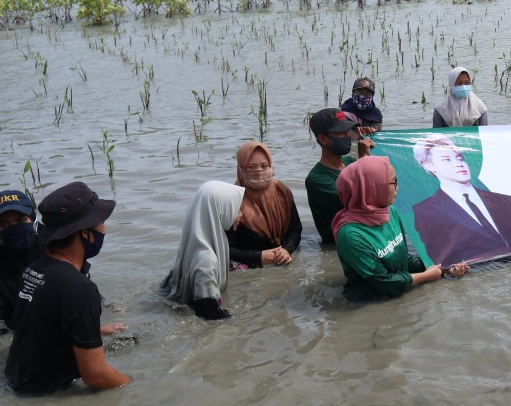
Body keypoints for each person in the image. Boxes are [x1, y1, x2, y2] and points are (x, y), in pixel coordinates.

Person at [4, 182, 130, 395]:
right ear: (85, 233)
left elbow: (38, 328)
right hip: (46, 395)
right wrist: (138, 386)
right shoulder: (78, 288)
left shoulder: (34, 270)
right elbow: (95, 375)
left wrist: (93, 330)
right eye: (100, 222)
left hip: (16, 378)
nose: (104, 229)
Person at [333, 156, 470, 301]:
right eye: (393, 183)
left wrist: (444, 266)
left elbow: (404, 259)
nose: (397, 188)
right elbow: (384, 282)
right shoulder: (351, 235)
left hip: (403, 289)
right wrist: (426, 276)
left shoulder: (389, 211)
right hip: (371, 304)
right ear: (373, 187)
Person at [411, 135, 511, 267]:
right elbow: (444, 261)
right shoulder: (426, 211)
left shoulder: (508, 201)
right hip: (484, 276)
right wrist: (453, 271)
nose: (458, 164)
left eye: (459, 158)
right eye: (446, 159)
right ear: (428, 165)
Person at [160, 181, 245, 320]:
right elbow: (210, 316)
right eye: (237, 209)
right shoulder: (206, 262)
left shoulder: (196, 243)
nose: (241, 215)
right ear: (220, 210)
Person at [0, 190, 41, 338]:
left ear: (33, 219)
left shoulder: (57, 246)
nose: (15, 228)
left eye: (21, 220)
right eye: (4, 225)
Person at [227, 141, 301, 269]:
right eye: (251, 167)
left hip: (283, 260)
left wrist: (287, 250)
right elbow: (225, 248)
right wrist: (259, 257)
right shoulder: (231, 200)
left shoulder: (282, 192)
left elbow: (295, 230)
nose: (259, 171)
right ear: (240, 169)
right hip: (247, 271)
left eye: (264, 166)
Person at [305, 108, 374, 244]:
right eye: (340, 132)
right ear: (323, 138)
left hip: (365, 237)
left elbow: (383, 183)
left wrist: (374, 141)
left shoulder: (350, 162)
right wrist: (365, 160)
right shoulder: (317, 179)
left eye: (347, 131)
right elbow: (364, 199)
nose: (346, 135)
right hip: (343, 246)